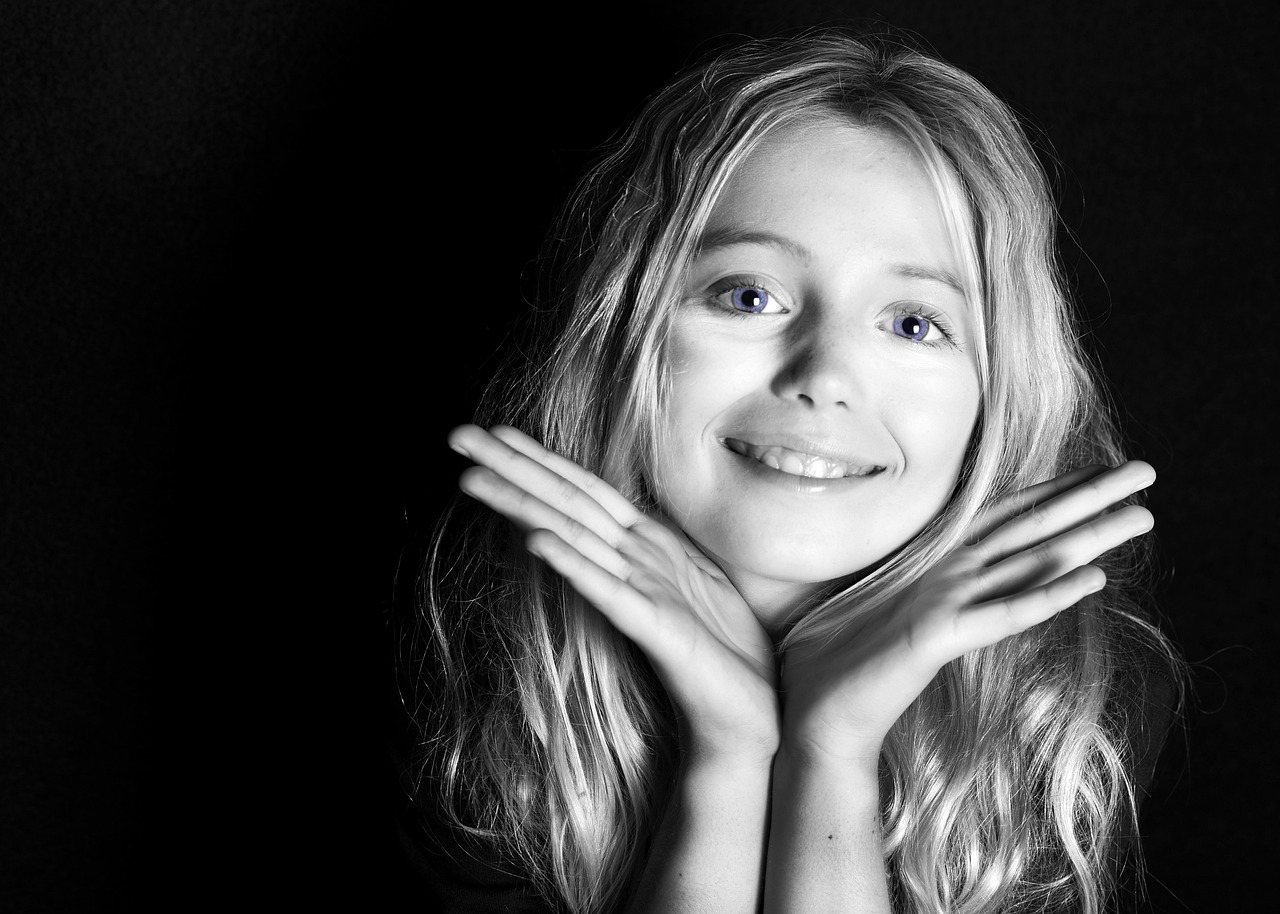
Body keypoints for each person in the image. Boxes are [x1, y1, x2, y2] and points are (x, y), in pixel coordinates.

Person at [393, 29, 1183, 914]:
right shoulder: (466, 667)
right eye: (748, 295)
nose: (824, 379)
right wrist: (729, 757)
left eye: (915, 323)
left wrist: (828, 752)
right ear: (622, 336)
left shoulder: (1061, 704)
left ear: (993, 399)